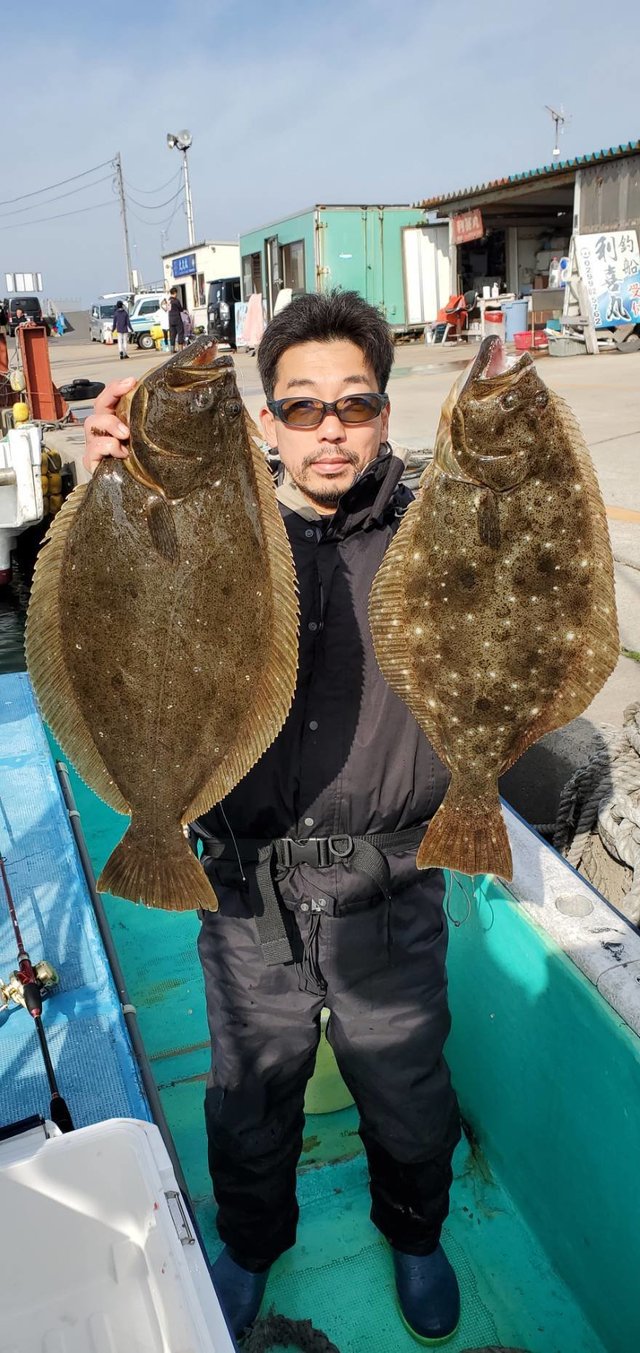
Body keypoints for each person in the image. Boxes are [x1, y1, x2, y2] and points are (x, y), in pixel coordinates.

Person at [82, 292, 461, 1345]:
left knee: (407, 1084)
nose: (329, 427)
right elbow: (88, 601)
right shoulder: (212, 528)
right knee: (249, 1094)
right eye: (300, 408)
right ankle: (252, 1241)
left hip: (391, 888)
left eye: (355, 403)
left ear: (386, 413)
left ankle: (416, 1231)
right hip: (245, 886)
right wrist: (110, 484)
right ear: (264, 423)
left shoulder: (439, 535)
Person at [167, 286, 184, 352]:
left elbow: (168, 309)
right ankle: (181, 349)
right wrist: (183, 310)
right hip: (177, 319)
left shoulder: (168, 301)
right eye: (176, 293)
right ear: (174, 293)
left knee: (172, 334)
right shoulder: (176, 301)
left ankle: (172, 349)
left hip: (170, 319)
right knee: (180, 333)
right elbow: (180, 309)